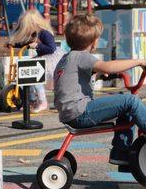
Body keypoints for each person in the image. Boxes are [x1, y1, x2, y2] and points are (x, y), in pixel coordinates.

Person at [54, 14, 146, 167]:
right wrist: (139, 61)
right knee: (131, 101)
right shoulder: (82, 56)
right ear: (93, 42)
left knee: (123, 103)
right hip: (81, 113)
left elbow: (74, 82)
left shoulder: (67, 58)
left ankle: (121, 152)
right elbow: (108, 66)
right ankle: (121, 150)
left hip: (71, 113)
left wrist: (96, 74)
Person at [8, 9, 59, 113]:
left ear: (34, 23)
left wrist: (37, 45)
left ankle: (42, 102)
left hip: (51, 59)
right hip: (41, 59)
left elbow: (52, 48)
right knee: (29, 77)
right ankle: (31, 101)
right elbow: (26, 43)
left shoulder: (44, 33)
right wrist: (14, 45)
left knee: (36, 79)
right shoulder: (34, 34)